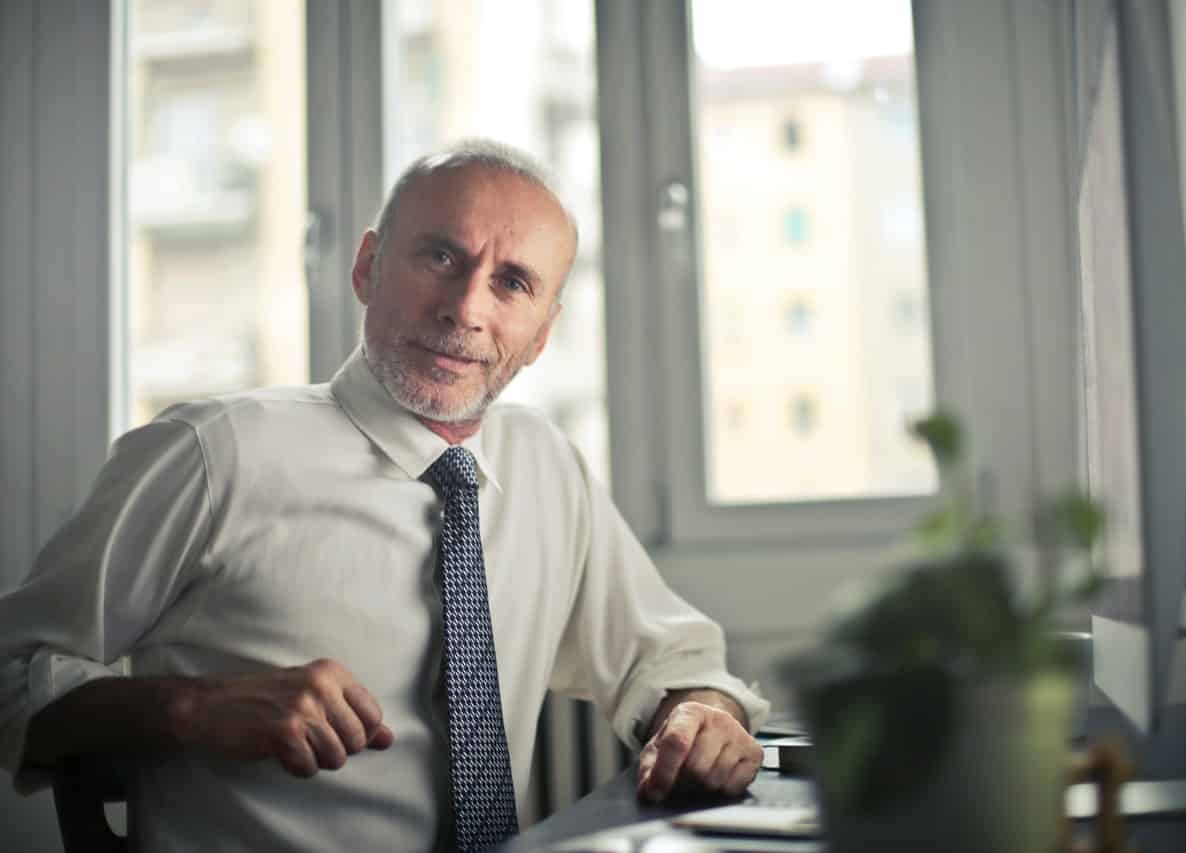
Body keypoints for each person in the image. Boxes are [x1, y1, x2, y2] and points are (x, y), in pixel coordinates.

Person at [0, 140, 768, 852]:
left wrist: (701, 713)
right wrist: (191, 707)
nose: (466, 308)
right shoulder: (214, 454)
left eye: (512, 283)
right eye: (440, 255)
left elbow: (667, 656)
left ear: (539, 334)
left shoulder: (546, 464)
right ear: (367, 265)